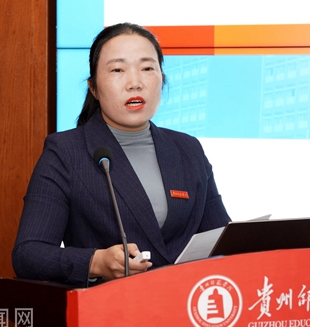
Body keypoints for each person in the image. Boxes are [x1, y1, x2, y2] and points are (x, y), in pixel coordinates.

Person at [12, 23, 230, 287]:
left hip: (185, 303)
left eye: (147, 68)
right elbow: (28, 254)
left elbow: (221, 239)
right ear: (93, 87)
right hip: (110, 306)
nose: (135, 83)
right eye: (117, 70)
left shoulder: (187, 148)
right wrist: (95, 262)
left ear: (162, 78)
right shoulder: (66, 152)